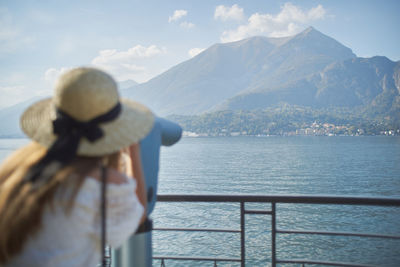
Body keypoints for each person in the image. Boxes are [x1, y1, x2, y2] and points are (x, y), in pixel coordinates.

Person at [0, 67, 154, 266]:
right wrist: (133, 150)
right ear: (115, 130)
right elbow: (136, 218)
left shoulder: (14, 172)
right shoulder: (102, 184)